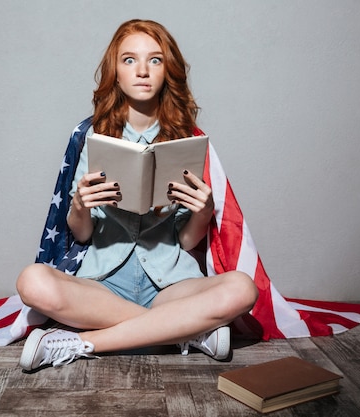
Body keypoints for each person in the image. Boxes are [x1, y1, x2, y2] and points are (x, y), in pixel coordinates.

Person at [16, 19, 258, 372]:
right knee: (31, 281)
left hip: (171, 284)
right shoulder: (92, 135)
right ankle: (184, 331)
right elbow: (82, 234)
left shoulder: (187, 138)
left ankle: (81, 342)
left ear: (167, 71)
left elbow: (188, 240)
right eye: (129, 60)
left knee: (242, 288)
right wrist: (80, 205)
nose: (142, 71)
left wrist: (204, 211)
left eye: (155, 60)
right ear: (115, 71)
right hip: (103, 284)